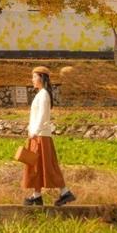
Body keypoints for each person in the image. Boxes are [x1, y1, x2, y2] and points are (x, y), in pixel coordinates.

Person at [22, 65, 75, 207]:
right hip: (37, 135)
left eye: (34, 77)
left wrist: (34, 131)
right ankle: (37, 195)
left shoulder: (43, 95)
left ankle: (65, 192)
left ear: (41, 78)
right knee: (37, 166)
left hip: (40, 136)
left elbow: (42, 116)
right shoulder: (41, 94)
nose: (32, 80)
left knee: (47, 166)